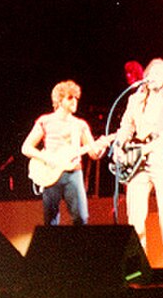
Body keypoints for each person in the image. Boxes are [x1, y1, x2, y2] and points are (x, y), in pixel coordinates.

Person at [114, 58, 163, 268]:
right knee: (135, 217)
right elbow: (125, 127)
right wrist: (119, 147)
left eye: (158, 72)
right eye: (151, 72)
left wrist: (159, 142)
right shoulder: (135, 100)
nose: (153, 76)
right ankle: (137, 264)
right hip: (137, 163)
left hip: (162, 161)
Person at [22, 80, 105, 225]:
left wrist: (101, 147)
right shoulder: (45, 121)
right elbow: (26, 148)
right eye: (70, 97)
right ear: (59, 100)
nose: (74, 101)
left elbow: (93, 153)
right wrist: (47, 157)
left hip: (73, 174)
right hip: (51, 173)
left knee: (81, 218)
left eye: (76, 98)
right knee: (51, 220)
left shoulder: (80, 125)